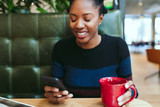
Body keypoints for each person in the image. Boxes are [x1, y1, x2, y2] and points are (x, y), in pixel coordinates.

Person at [44, 0, 138, 106]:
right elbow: (55, 89)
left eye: (87, 19)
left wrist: (130, 93)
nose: (79, 25)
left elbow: (131, 88)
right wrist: (53, 94)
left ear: (100, 19)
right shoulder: (61, 48)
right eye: (73, 18)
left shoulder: (118, 46)